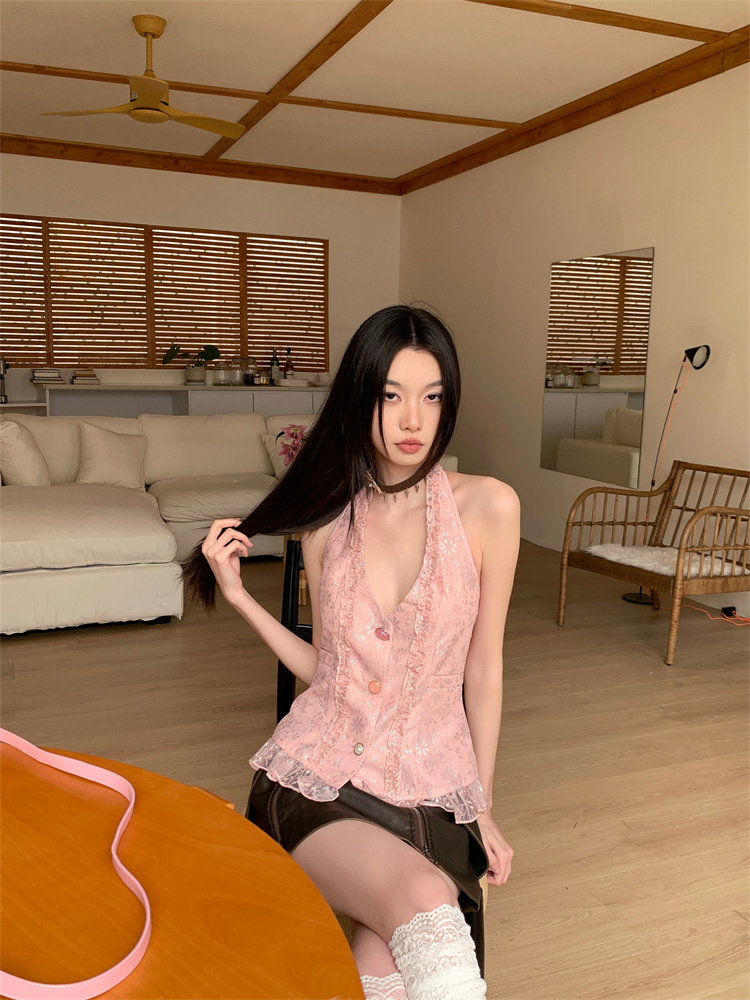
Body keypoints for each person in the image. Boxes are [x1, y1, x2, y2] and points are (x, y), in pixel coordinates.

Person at [185, 305, 519, 1000]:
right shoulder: (328, 522)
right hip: (318, 783)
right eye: (391, 396)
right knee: (426, 903)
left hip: (434, 795)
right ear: (360, 398)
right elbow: (328, 672)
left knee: (383, 967)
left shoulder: (489, 508)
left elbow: (484, 668)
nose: (412, 421)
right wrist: (241, 598)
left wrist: (482, 806)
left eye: (432, 397)